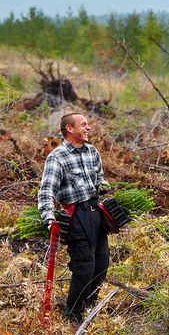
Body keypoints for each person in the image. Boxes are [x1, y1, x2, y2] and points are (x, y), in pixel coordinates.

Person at [38, 113, 111, 323]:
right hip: (76, 216)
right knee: (84, 266)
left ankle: (88, 308)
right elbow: (46, 191)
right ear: (70, 129)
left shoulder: (92, 152)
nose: (88, 128)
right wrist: (49, 219)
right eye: (84, 125)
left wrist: (102, 186)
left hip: (96, 212)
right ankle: (74, 314)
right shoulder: (57, 157)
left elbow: (99, 179)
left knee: (101, 264)